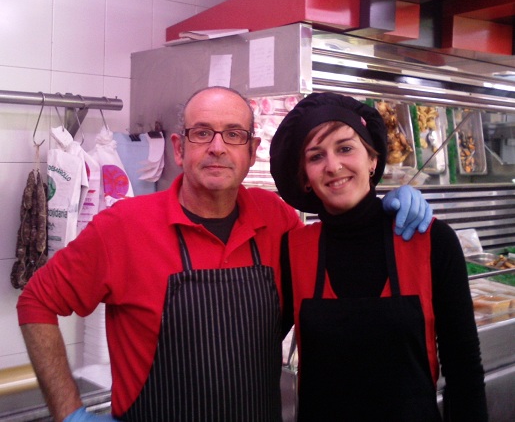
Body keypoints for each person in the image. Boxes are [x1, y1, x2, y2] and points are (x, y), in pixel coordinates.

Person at [17, 87, 432, 422]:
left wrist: (382, 210)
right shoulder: (123, 227)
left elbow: (345, 266)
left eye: (234, 134)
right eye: (202, 133)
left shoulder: (278, 220)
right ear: (179, 148)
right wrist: (69, 412)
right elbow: (37, 301)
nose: (217, 147)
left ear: (251, 151)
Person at [269, 92, 488, 422]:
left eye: (345, 148)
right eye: (316, 156)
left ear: (373, 160)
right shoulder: (294, 248)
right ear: (306, 178)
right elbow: (259, 343)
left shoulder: (432, 241)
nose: (333, 166)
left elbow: (464, 366)